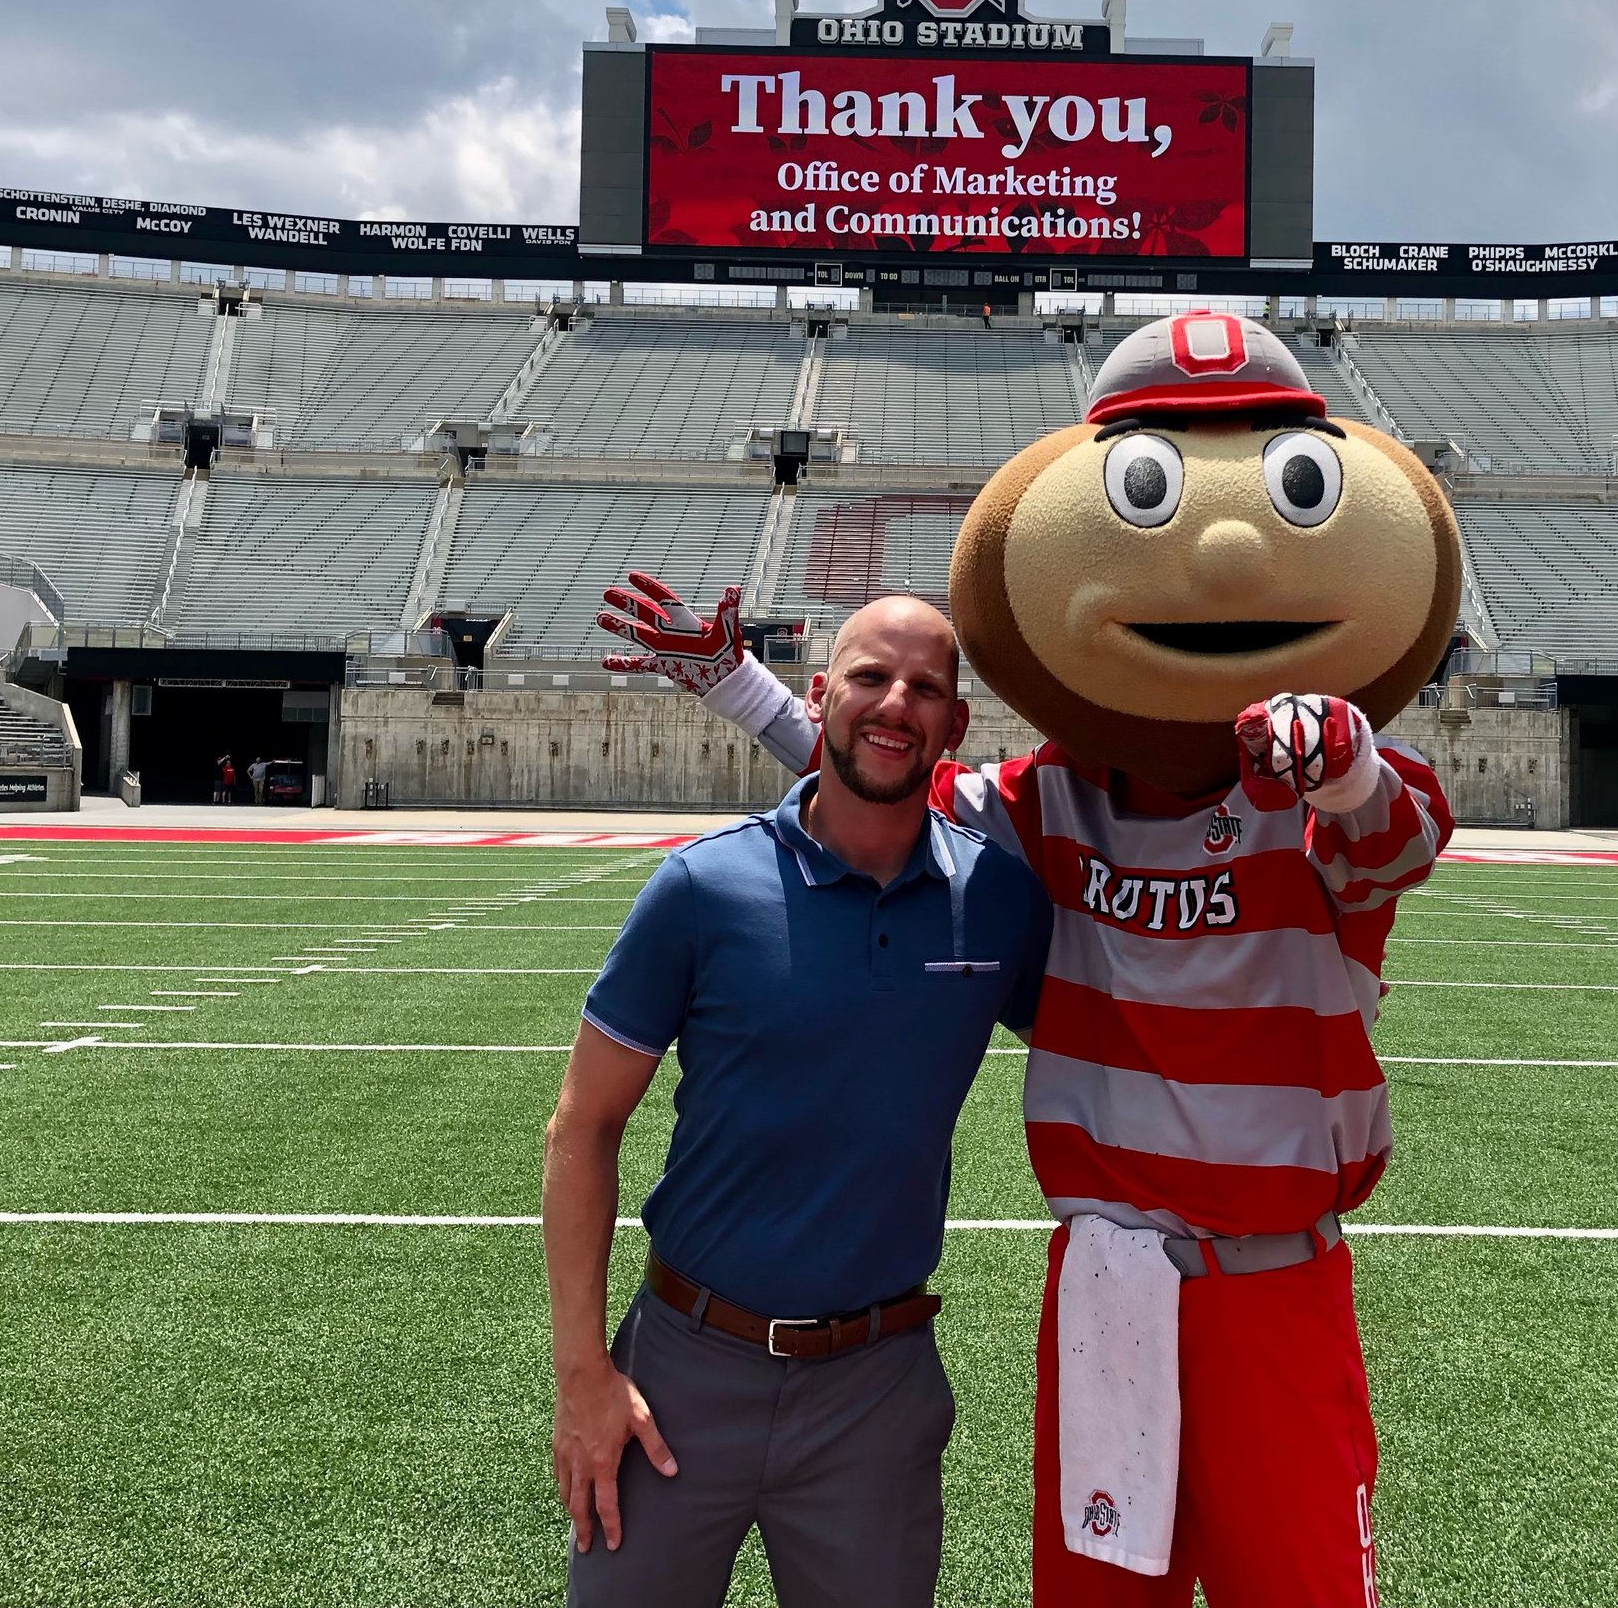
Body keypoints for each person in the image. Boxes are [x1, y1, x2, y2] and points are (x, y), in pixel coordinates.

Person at [604, 311, 1460, 1605]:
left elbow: (1396, 831)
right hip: (1109, 1272)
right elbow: (888, 780)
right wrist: (741, 686)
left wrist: (1333, 749)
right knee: (1100, 1591)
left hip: (1274, 1277)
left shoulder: (1324, 791)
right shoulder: (1048, 799)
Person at [544, 596, 1052, 1608]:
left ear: (955, 729)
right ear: (820, 696)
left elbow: (1127, 1032)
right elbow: (581, 1128)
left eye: (925, 689)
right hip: (682, 1370)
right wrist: (582, 1376)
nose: (894, 704)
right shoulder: (700, 888)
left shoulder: (999, 902)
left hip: (876, 1387)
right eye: (868, 677)